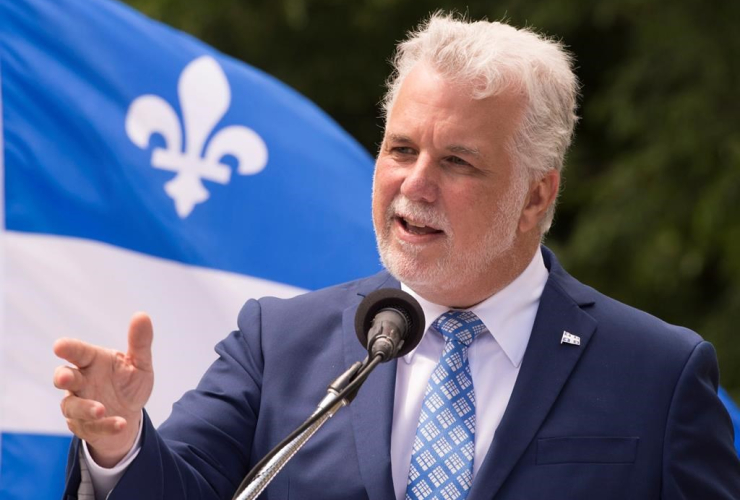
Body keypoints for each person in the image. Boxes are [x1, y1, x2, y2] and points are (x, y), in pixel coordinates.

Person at [54, 12, 740, 500]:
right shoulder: (277, 342)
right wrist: (120, 449)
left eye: (457, 161)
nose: (415, 184)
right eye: (402, 149)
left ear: (536, 196)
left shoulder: (659, 376)